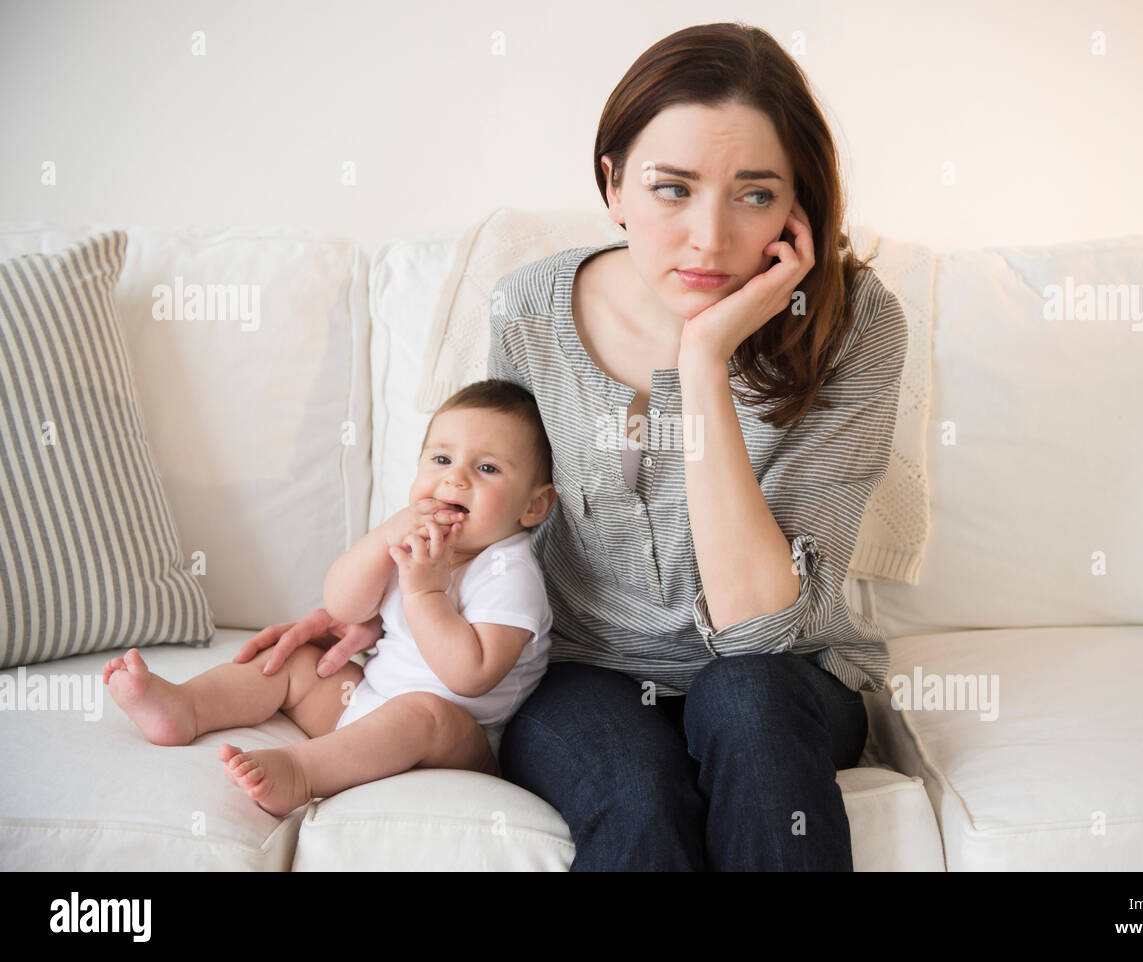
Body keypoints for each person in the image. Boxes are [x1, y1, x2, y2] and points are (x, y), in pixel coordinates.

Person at [237, 21, 909, 869]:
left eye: (754, 193)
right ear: (613, 185)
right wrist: (373, 605)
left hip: (783, 675)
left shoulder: (853, 325)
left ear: (797, 205)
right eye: (672, 189)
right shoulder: (530, 311)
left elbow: (757, 631)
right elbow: (488, 498)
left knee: (748, 706)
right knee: (636, 793)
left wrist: (702, 358)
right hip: (582, 671)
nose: (708, 236)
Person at [103, 380, 556, 816]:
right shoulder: (414, 539)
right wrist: (383, 539)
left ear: (534, 506)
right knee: (297, 660)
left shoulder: (509, 572)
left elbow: (469, 675)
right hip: (364, 707)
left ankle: (302, 771)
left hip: (453, 741)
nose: (455, 480)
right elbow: (343, 608)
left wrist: (423, 591)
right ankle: (187, 707)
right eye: (440, 459)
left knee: (426, 712)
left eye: (487, 468)